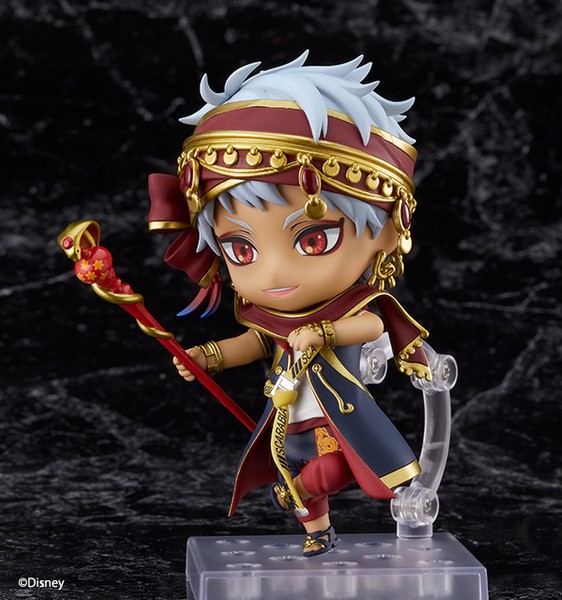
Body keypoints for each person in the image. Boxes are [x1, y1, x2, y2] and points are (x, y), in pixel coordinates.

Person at [147, 51, 432, 557]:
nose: (274, 274)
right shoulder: (270, 317)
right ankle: (317, 530)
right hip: (285, 419)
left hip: (338, 417)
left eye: (313, 240)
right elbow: (256, 342)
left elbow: (370, 328)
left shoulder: (354, 307)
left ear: (389, 231)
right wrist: (208, 357)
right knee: (292, 469)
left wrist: (324, 333)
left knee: (338, 468)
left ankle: (299, 494)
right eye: (241, 250)